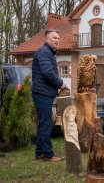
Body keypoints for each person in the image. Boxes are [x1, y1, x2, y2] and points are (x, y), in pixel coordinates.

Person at [32, 29, 66, 162]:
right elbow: (47, 73)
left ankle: (39, 152)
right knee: (46, 124)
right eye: (54, 38)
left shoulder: (48, 53)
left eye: (58, 38)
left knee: (44, 123)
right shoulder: (44, 52)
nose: (57, 40)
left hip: (44, 92)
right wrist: (60, 83)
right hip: (42, 93)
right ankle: (48, 154)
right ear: (47, 39)